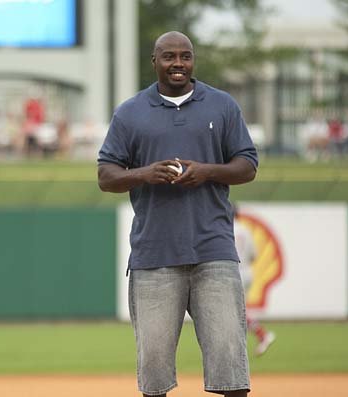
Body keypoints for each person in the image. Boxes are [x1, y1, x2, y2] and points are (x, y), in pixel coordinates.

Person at [97, 31, 258, 397]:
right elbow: (106, 176)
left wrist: (207, 170)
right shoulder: (130, 112)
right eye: (169, 57)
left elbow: (247, 165)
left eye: (185, 56)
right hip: (154, 253)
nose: (178, 64)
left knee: (230, 364)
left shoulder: (222, 106)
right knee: (153, 373)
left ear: (193, 60)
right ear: (154, 61)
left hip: (213, 251)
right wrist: (145, 173)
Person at [233, 204, 276, 356]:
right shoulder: (245, 229)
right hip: (247, 272)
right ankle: (260, 335)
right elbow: (254, 255)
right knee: (238, 310)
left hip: (233, 272)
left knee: (234, 311)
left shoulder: (225, 228)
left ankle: (262, 335)